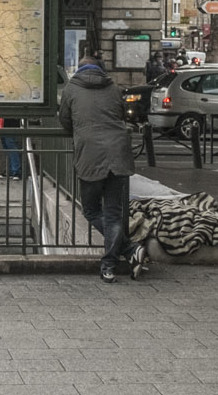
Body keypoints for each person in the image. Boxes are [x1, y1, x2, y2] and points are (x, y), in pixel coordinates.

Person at [57, 55, 138, 282]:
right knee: (113, 213)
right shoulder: (113, 88)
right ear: (100, 69)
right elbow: (122, 114)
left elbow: (64, 120)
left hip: (90, 155)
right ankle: (113, 262)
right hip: (118, 154)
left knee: (91, 209)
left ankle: (127, 251)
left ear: (80, 70)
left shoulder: (71, 89)